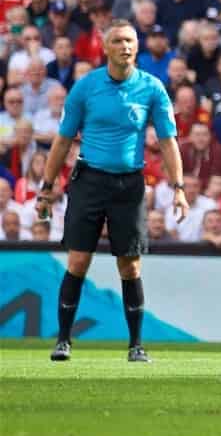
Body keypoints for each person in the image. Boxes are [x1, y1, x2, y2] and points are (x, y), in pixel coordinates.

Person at [36, 20, 187, 363]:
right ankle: (63, 341)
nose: (126, 47)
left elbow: (167, 141)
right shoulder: (85, 88)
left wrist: (178, 188)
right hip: (88, 180)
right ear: (105, 48)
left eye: (131, 41)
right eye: (118, 41)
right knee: (78, 261)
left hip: (128, 185)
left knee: (130, 266)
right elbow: (62, 141)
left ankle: (136, 345)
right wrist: (47, 188)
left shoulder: (152, 88)